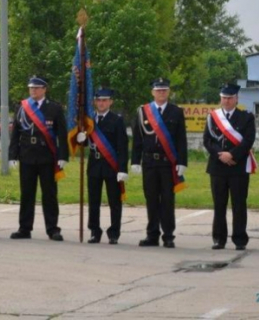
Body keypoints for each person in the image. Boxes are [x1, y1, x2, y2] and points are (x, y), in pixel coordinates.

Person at [9, 76, 69, 241]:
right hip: (27, 156)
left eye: (36, 88)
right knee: (27, 194)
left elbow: (62, 134)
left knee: (49, 194)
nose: (33, 91)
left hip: (47, 157)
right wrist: (12, 155)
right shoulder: (22, 107)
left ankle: (52, 229)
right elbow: (15, 133)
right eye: (31, 88)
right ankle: (24, 228)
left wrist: (63, 156)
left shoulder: (54, 108)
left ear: (44, 89)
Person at [131, 78, 187, 248]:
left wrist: (182, 162)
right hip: (149, 162)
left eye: (164, 90)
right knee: (151, 199)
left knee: (168, 200)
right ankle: (152, 234)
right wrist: (135, 160)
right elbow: (137, 139)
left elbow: (181, 140)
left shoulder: (176, 112)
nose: (161, 93)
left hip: (167, 163)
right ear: (152, 92)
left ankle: (168, 235)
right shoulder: (143, 111)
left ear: (168, 92)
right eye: (158, 90)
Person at [203, 83, 256, 250]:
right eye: (224, 98)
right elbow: (208, 141)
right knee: (219, 205)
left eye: (230, 98)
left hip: (238, 167)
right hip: (218, 167)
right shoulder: (213, 117)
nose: (226, 101)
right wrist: (222, 155)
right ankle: (219, 239)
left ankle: (240, 239)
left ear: (236, 99)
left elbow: (248, 140)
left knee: (239, 204)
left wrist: (232, 155)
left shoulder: (246, 117)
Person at [76, 87, 128, 244]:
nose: (101, 103)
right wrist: (80, 139)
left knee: (114, 202)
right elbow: (85, 143)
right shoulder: (89, 120)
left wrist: (122, 169)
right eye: (98, 100)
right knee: (93, 201)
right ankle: (94, 231)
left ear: (110, 102)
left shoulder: (117, 120)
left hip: (111, 166)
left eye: (104, 100)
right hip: (94, 165)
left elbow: (122, 147)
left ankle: (114, 233)